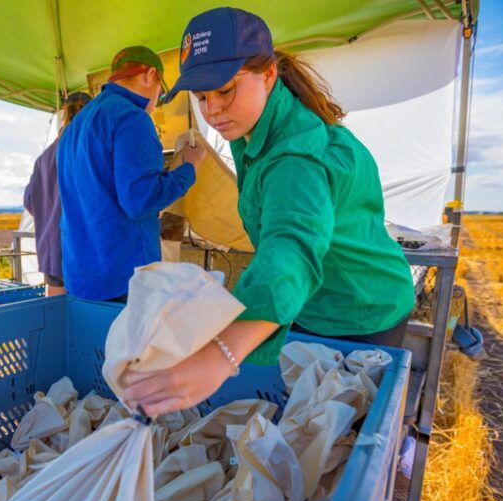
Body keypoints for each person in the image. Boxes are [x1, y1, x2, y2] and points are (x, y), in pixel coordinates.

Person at [122, 7, 416, 416]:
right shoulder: (258, 132)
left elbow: (291, 247)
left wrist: (220, 355)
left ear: (269, 75)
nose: (212, 110)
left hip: (359, 308)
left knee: (342, 427)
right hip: (311, 299)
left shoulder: (296, 156)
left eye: (225, 90)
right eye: (201, 96)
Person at [57, 46, 206, 302]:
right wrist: (188, 169)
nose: (157, 101)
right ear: (150, 75)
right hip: (124, 279)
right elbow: (140, 200)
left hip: (79, 276)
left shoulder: (74, 128)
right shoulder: (132, 117)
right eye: (161, 90)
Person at [23, 92, 91, 296]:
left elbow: (29, 201)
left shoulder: (44, 158)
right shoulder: (84, 152)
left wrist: (49, 215)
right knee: (86, 319)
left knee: (57, 318)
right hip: (79, 250)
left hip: (51, 251)